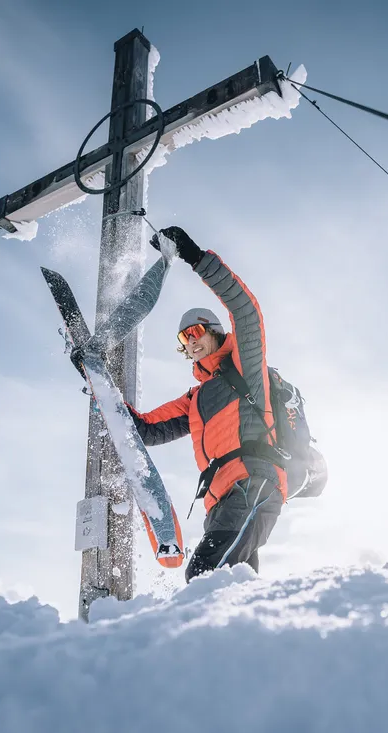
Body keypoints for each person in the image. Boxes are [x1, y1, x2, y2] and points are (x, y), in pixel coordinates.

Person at [126, 226, 287, 583]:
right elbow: (147, 430)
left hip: (252, 483)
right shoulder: (195, 399)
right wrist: (98, 383)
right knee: (231, 592)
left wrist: (195, 257)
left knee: (203, 576)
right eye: (184, 339)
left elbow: (246, 312)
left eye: (196, 332)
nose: (191, 342)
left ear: (214, 331)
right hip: (219, 503)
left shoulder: (245, 366)